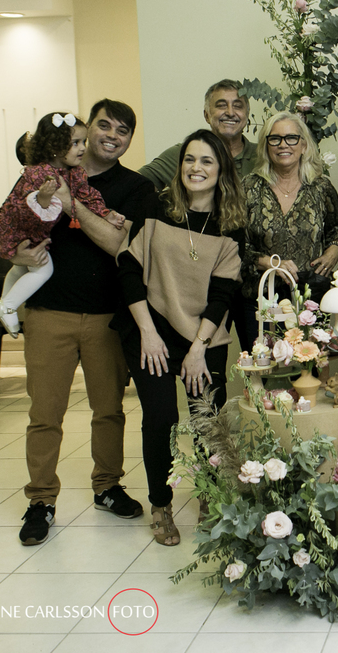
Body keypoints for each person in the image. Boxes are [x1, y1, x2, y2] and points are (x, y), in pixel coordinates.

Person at [0, 99, 154, 546]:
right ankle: (41, 500)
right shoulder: (43, 174)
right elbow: (2, 222)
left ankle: (107, 486)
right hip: (49, 313)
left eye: (122, 130)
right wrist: (13, 250)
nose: (111, 136)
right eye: (104, 125)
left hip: (108, 317)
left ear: (129, 139)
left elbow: (119, 244)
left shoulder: (136, 187)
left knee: (109, 410)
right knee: (45, 413)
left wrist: (72, 206)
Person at [115, 129, 247, 546]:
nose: (196, 168)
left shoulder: (231, 225)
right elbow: (128, 269)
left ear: (221, 170)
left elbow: (223, 295)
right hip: (150, 330)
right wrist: (148, 333)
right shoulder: (156, 208)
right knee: (161, 419)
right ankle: (161, 505)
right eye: (190, 159)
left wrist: (198, 348)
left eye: (207, 161)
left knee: (208, 420)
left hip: (202, 337)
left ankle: (211, 494)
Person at [0, 113, 121, 336]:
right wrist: (42, 198)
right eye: (75, 143)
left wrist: (105, 213)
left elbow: (86, 195)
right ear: (54, 147)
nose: (82, 148)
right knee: (43, 269)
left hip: (33, 233)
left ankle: (4, 303)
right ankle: (8, 306)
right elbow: (24, 209)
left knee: (21, 268)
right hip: (19, 229)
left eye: (83, 142)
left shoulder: (73, 172)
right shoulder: (38, 174)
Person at [241, 111, 338, 349]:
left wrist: (333, 251)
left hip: (311, 297)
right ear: (266, 145)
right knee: (264, 365)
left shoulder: (320, 186)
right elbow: (234, 245)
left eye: (291, 138)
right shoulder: (249, 187)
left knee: (310, 363)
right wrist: (268, 262)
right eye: (275, 138)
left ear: (303, 145)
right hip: (261, 297)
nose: (283, 145)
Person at [137, 79, 260, 188]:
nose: (230, 113)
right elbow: (135, 183)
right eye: (221, 105)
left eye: (237, 106)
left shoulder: (263, 155)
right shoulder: (184, 154)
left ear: (246, 115)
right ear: (206, 115)